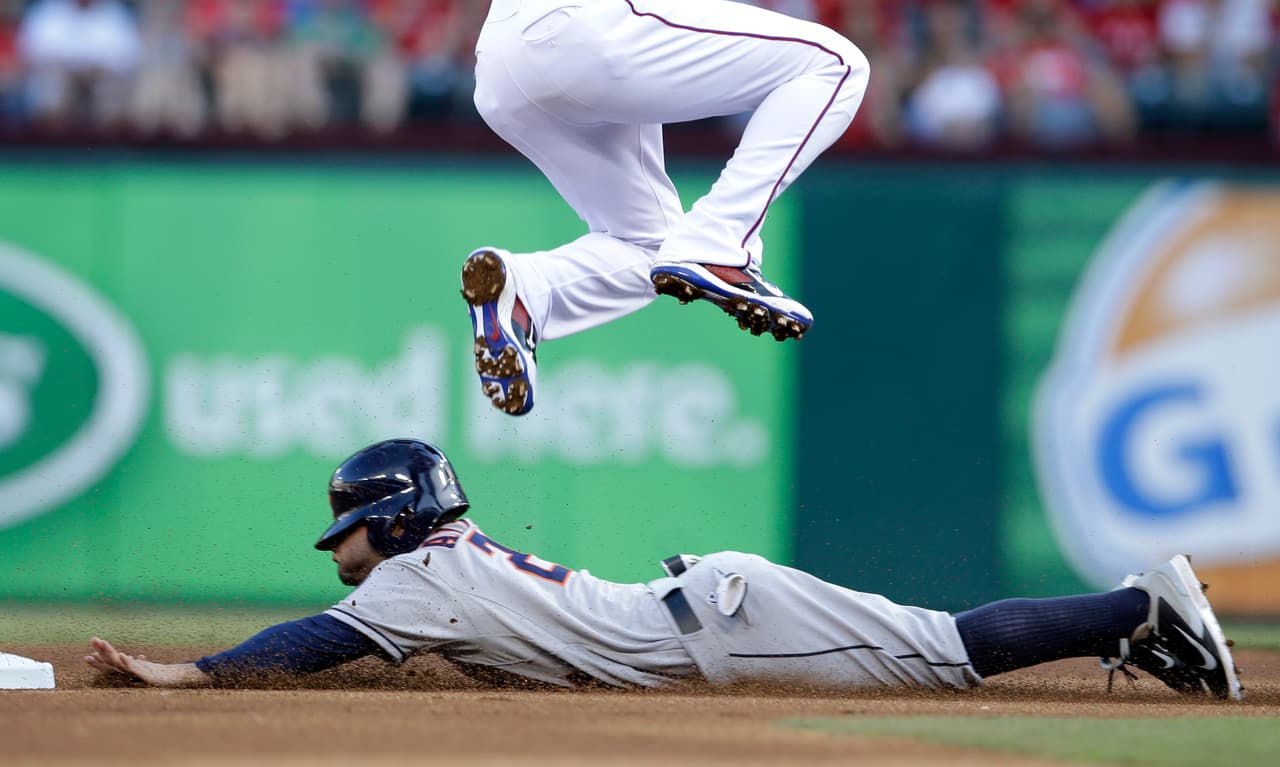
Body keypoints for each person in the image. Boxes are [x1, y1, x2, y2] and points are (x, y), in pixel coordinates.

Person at [86, 438, 1244, 701]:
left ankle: (1138, 603)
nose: (337, 547)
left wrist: (189, 676)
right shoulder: (436, 566)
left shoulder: (411, 583)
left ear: (390, 522)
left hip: (720, 627)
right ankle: (1139, 627)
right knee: (938, 644)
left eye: (346, 526)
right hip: (705, 617)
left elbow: (309, 640)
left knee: (942, 656)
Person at [457, 0, 872, 416]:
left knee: (652, 245)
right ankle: (718, 239)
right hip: (585, 27)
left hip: (500, 59)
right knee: (836, 66)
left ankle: (525, 293)